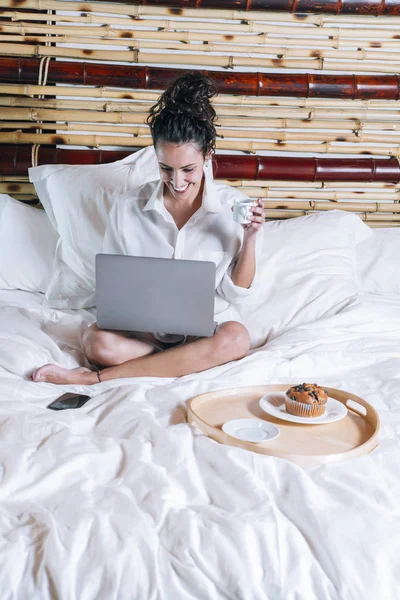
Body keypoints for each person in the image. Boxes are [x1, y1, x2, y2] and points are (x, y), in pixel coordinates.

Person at [30, 72, 265, 386]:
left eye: (188, 169)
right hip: (146, 336)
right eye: (166, 168)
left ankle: (97, 378)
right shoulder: (128, 207)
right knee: (96, 341)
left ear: (207, 156)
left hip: (206, 333)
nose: (177, 182)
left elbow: (237, 292)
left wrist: (250, 237)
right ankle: (177, 364)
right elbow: (116, 286)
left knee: (236, 339)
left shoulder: (233, 207)